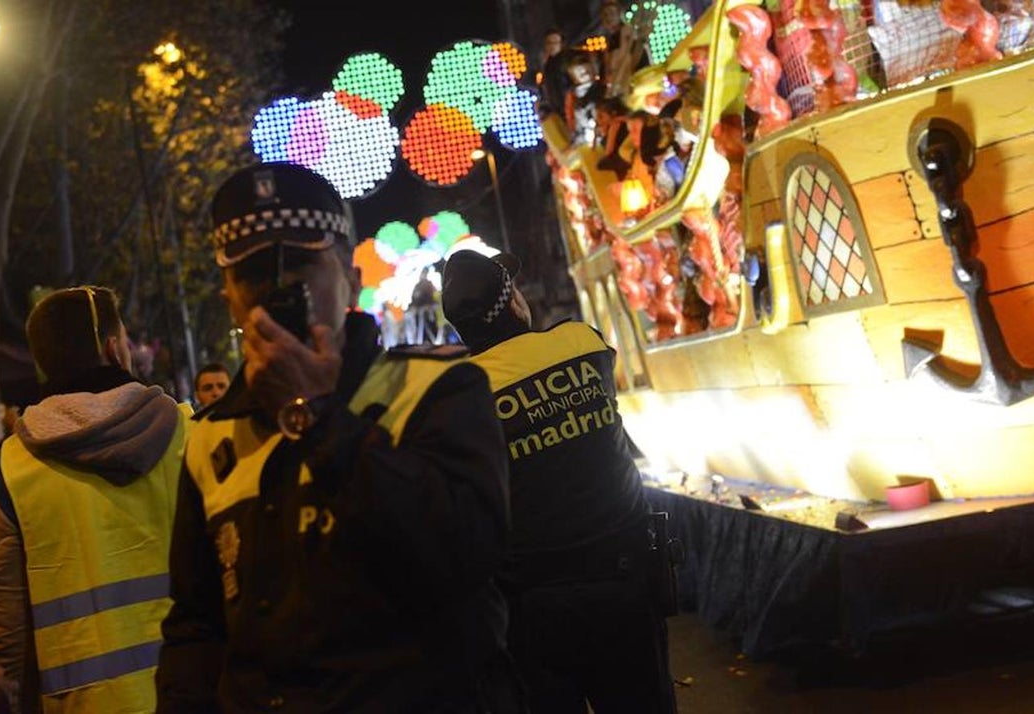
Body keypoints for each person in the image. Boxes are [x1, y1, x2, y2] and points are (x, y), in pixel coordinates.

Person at [156, 162, 519, 712]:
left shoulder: (436, 388)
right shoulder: (210, 440)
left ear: (350, 278)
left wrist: (321, 420)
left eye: (301, 265)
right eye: (255, 273)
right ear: (229, 294)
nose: (279, 289)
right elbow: (196, 629)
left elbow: (465, 558)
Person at [441, 249, 677, 714]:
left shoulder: (456, 402)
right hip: (624, 584)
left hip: (529, 610)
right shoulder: (582, 344)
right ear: (513, 304)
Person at [0, 286, 188, 713]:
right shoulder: (197, 440)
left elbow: (7, 653)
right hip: (202, 694)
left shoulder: (2, 480)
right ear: (115, 351)